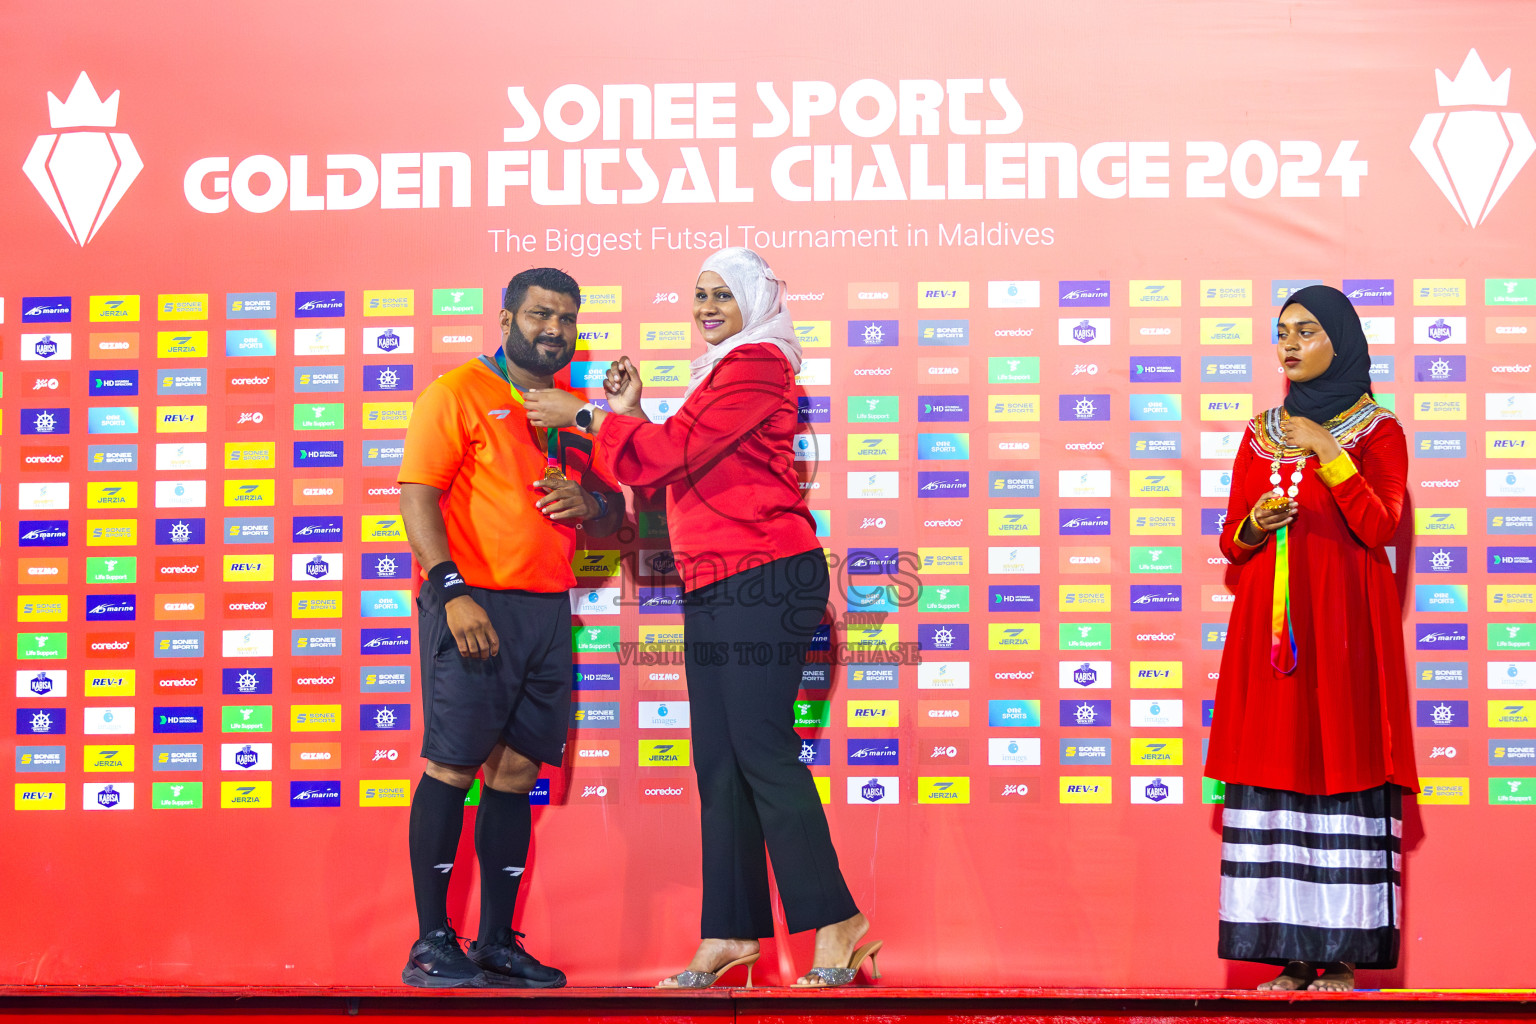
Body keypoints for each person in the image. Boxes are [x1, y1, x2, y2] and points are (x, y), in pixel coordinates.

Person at [525, 248, 880, 989]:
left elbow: (668, 454)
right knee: (718, 764)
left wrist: (587, 415)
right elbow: (668, 461)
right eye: (700, 295)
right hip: (714, 579)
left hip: (767, 576)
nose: (708, 305)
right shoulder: (716, 375)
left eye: (723, 293)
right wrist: (628, 416)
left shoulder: (758, 365)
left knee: (760, 750)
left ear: (755, 299)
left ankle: (838, 919)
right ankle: (729, 932)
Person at [396, 267, 624, 988]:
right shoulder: (457, 391)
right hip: (474, 601)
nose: (552, 329)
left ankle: (496, 941)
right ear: (505, 319)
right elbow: (416, 496)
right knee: (453, 766)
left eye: (565, 318)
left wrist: (591, 507)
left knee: (517, 771)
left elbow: (616, 517)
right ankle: (432, 941)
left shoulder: (571, 411)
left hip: (547, 610)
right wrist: (452, 592)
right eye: (538, 315)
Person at [1206, 285, 1418, 992]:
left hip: (1346, 630)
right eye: (1281, 333)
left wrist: (1329, 451)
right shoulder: (1259, 430)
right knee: (1278, 765)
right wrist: (1257, 523)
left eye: (1306, 331)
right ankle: (1291, 956)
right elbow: (1231, 543)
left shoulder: (1378, 431)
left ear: (1342, 342)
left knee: (1343, 761)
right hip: (1274, 633)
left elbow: (1381, 525)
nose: (1290, 345)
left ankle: (1343, 955)